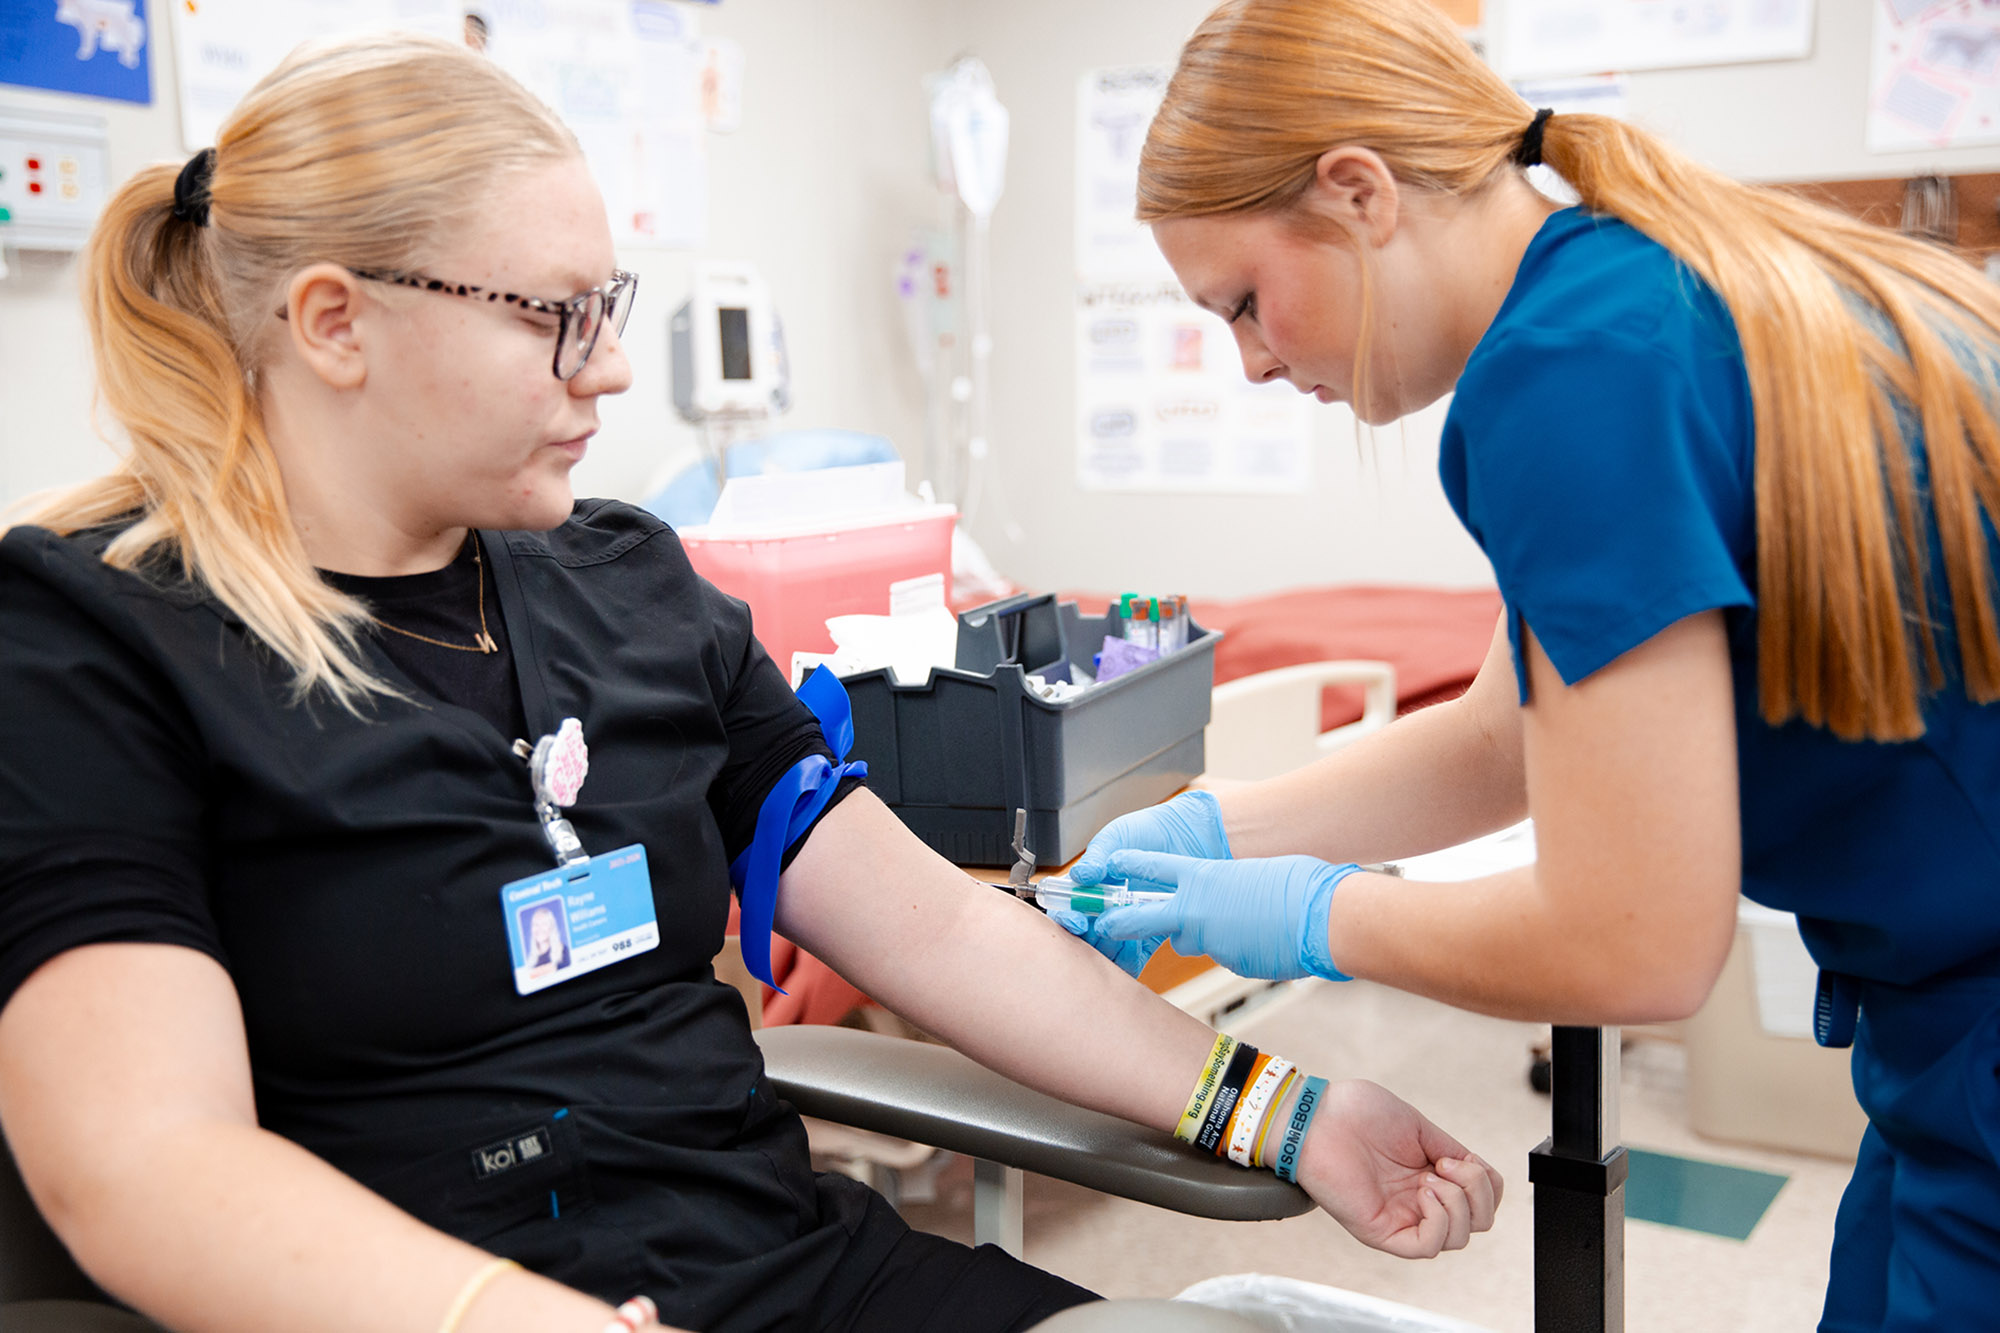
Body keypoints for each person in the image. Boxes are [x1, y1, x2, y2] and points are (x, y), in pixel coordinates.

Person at [0, 32, 1503, 1333]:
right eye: (553, 316)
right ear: (337, 322)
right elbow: (141, 1163)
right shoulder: (92, 643)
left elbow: (938, 931)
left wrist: (1282, 1107)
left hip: (787, 1273)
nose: (608, 370)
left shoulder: (629, 586)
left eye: (609, 306)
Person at [1055, 2, 2000, 1329]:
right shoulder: (1630, 290)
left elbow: (1636, 943)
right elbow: (1504, 734)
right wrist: (1216, 831)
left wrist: (1312, 912)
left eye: (1247, 304)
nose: (1254, 362)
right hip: (1948, 1024)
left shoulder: (1569, 376)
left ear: (1360, 191)